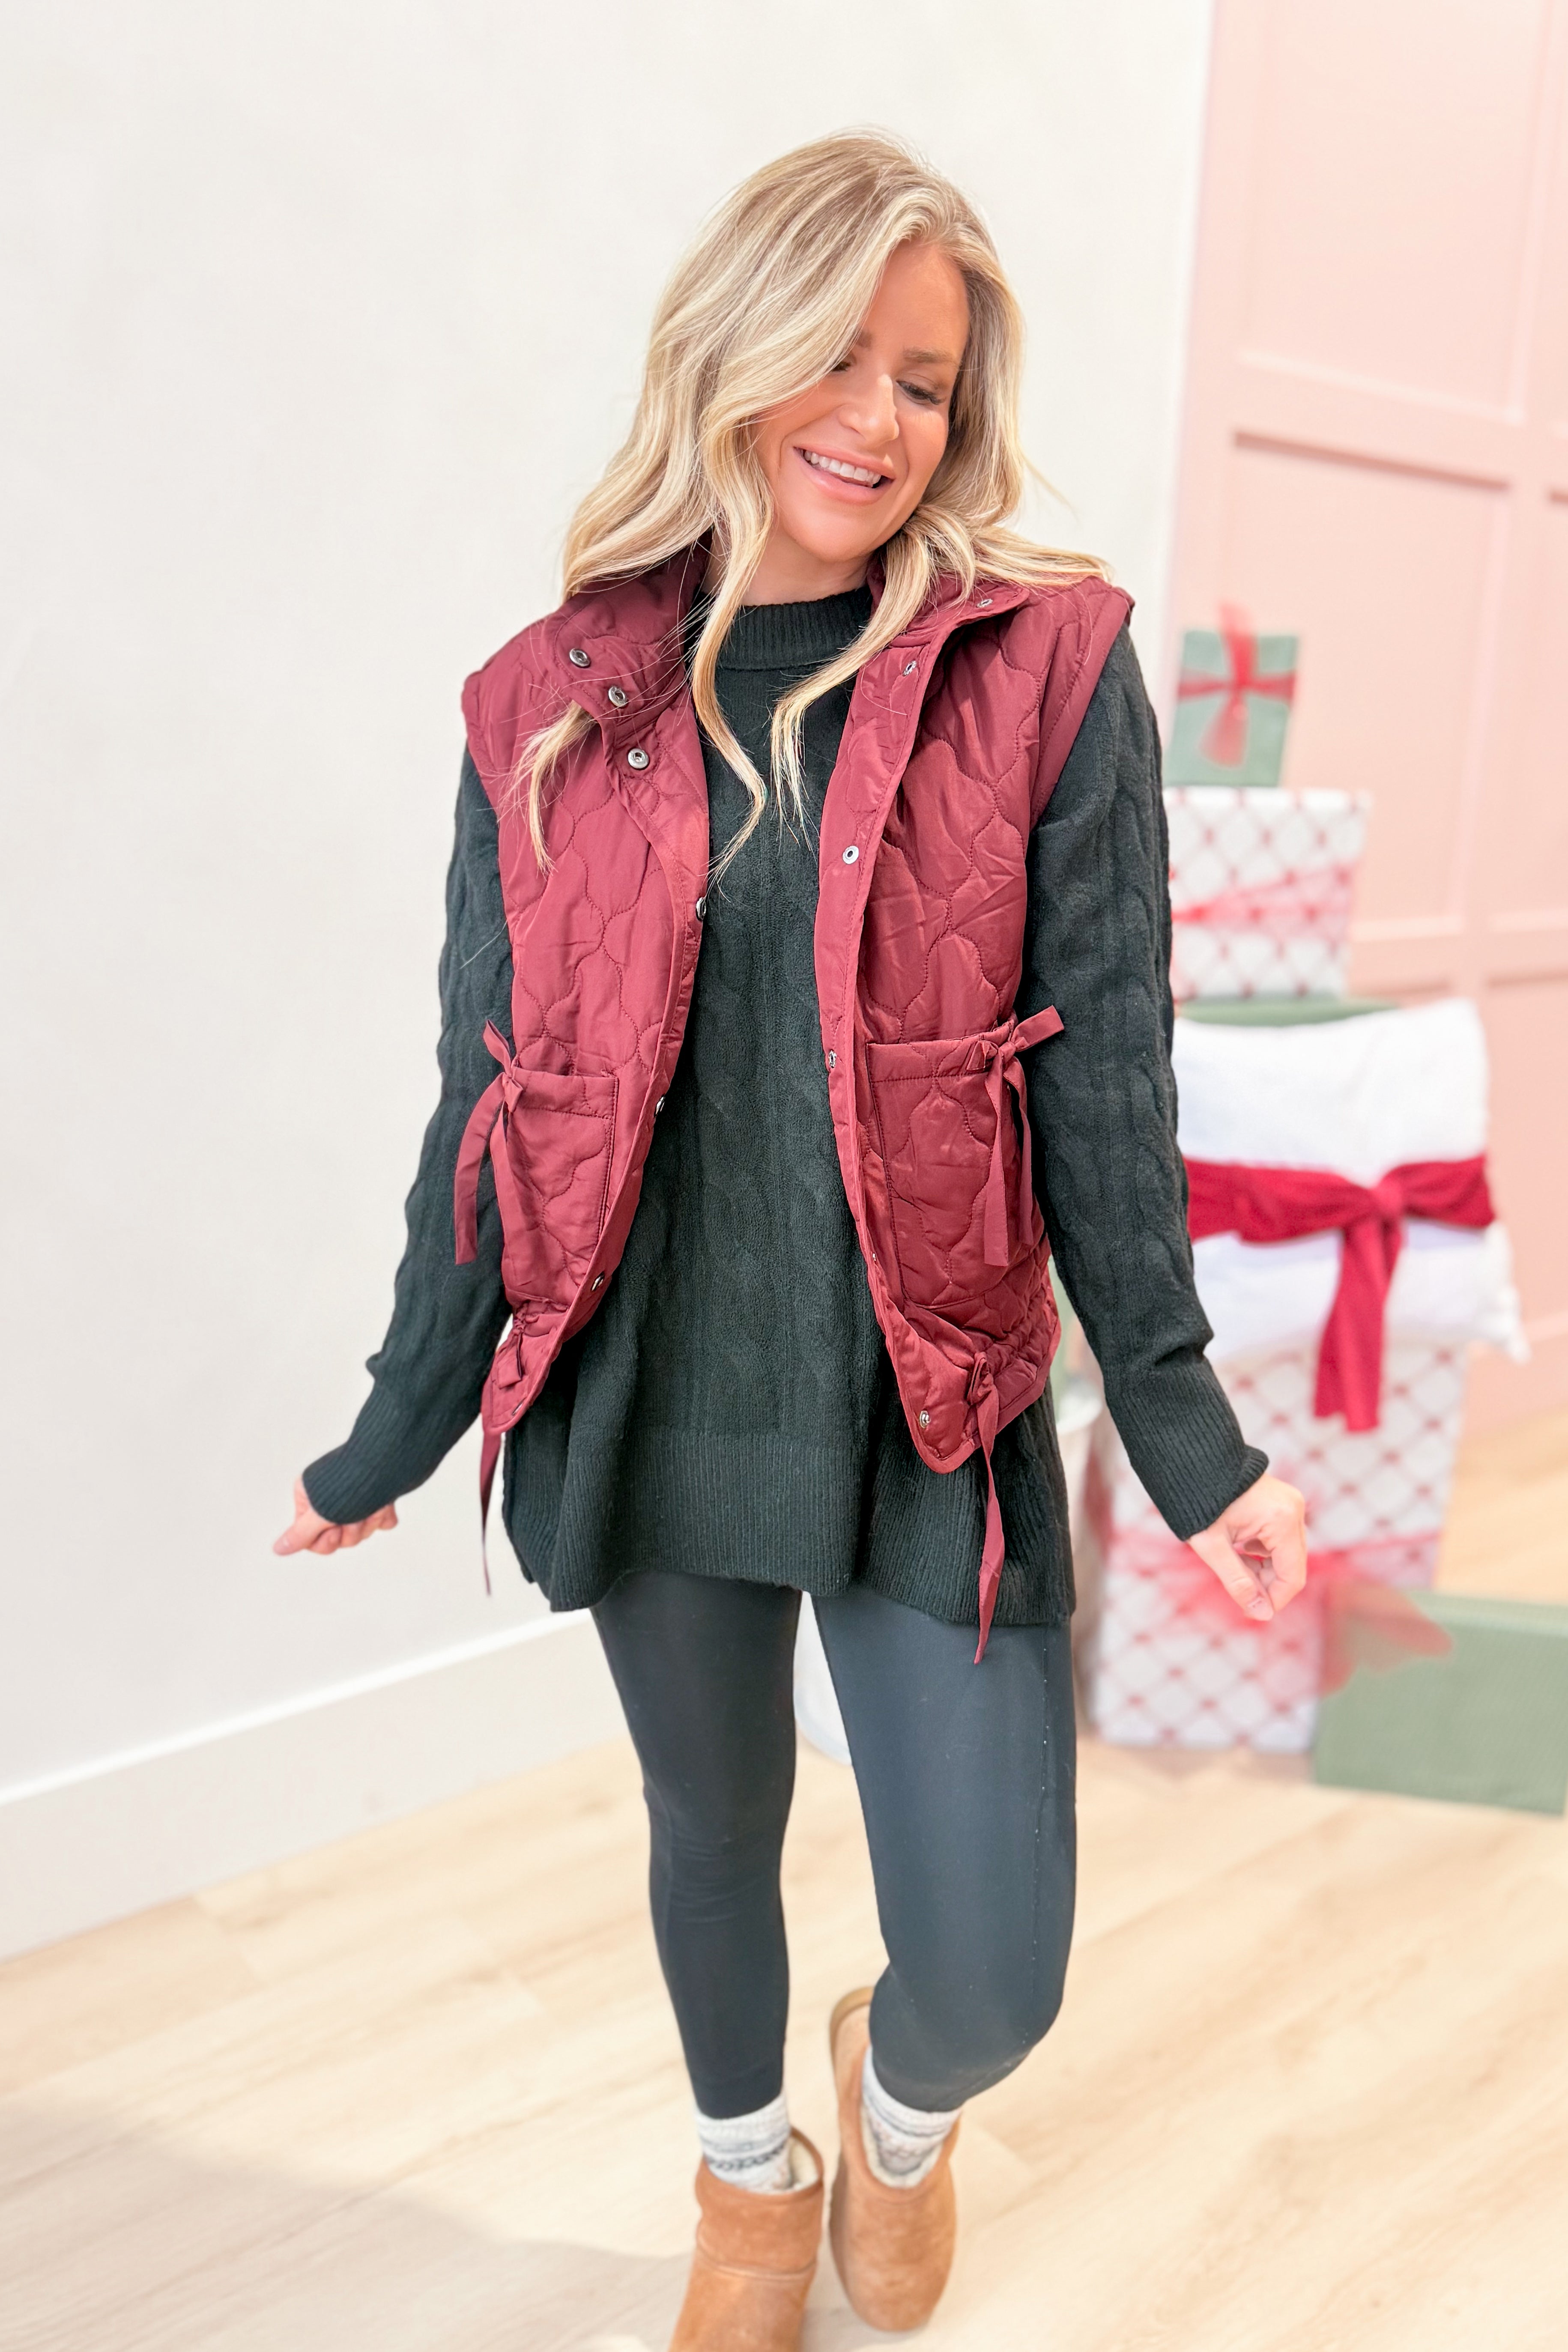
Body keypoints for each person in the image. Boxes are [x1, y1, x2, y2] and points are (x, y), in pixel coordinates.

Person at [275, 131, 1308, 2350]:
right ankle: (747, 2181)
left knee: (997, 1966)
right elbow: (491, 1097)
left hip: (924, 1390)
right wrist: (398, 1418)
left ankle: (899, 2114)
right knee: (712, 1820)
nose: (880, 417)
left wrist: (1188, 1436)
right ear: (730, 352)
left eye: (925, 379)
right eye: (836, 355)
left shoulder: (1045, 667)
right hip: (648, 1371)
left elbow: (1109, 1083)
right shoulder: (548, 697)